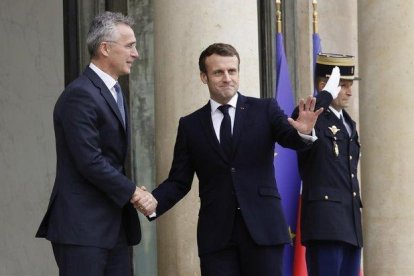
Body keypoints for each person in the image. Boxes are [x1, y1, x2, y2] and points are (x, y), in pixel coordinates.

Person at [133, 43, 339, 275]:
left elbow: (291, 139)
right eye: (218, 72)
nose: (227, 78)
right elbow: (179, 181)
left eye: (232, 71)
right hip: (217, 237)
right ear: (204, 77)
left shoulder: (265, 109)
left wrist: (303, 131)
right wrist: (153, 201)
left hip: (264, 230)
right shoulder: (190, 125)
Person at [35, 12, 157, 275]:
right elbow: (89, 160)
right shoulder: (80, 95)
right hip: (83, 230)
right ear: (105, 48)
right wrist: (134, 192)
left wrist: (130, 190)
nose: (136, 54)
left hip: (113, 227)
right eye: (129, 45)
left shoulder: (114, 91)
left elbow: (110, 160)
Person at [293, 53, 363, 276]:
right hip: (325, 223)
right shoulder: (311, 116)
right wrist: (323, 96)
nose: (349, 92)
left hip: (350, 223)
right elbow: (303, 122)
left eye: (350, 85)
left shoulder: (348, 123)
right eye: (342, 85)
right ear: (325, 85)